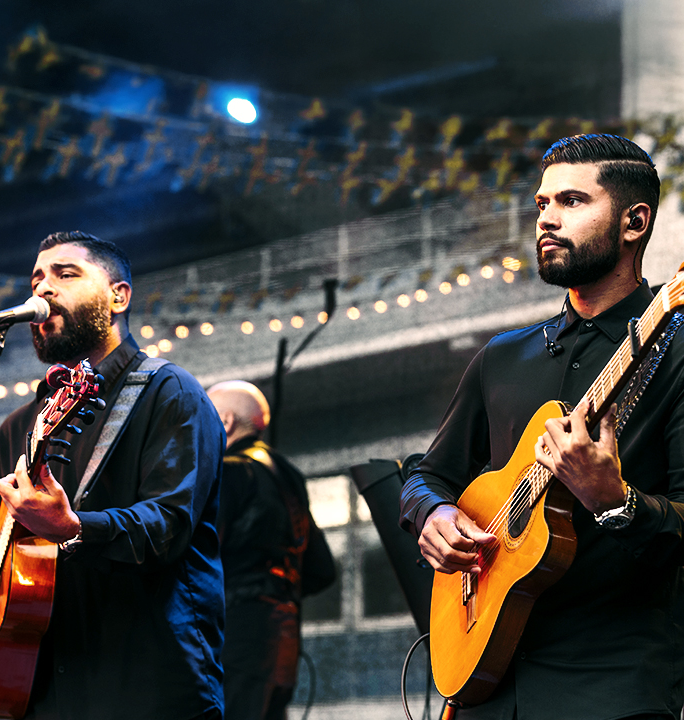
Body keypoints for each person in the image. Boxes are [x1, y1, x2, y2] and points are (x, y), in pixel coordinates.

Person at [399, 134, 684, 719]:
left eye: (573, 201)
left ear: (634, 222)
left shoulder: (676, 350)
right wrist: (433, 514)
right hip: (484, 687)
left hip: (611, 687)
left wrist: (615, 501)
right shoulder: (501, 357)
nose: (547, 219)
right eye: (541, 204)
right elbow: (428, 476)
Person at [0, 231, 226, 720]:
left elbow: (169, 526)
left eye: (66, 275)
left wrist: (73, 529)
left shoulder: (171, 393)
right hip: (37, 687)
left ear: (118, 296)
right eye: (37, 278)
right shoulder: (20, 424)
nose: (43, 289)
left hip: (144, 684)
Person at [206, 380, 336, 720]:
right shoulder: (288, 475)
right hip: (282, 639)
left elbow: (200, 557)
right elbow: (322, 570)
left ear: (226, 422)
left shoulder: (228, 471)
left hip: (234, 636)